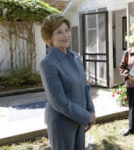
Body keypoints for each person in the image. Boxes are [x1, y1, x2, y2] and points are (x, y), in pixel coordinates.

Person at [39, 14, 96, 150]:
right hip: (61, 124)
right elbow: (59, 102)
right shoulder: (48, 63)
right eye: (59, 32)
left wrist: (91, 111)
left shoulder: (76, 56)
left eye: (67, 30)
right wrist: (86, 116)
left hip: (79, 121)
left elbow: (85, 87)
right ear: (49, 37)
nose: (65, 35)